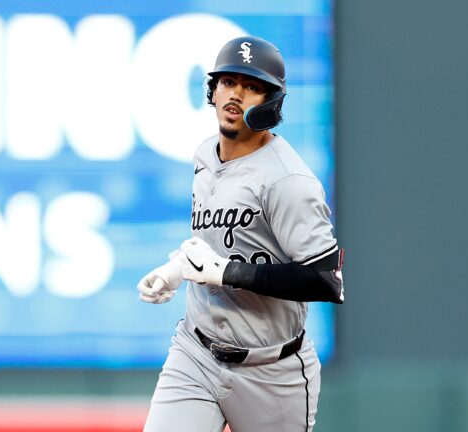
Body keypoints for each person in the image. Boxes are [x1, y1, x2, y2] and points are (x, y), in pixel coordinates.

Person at [137, 36, 345, 432]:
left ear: (271, 103)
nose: (236, 94)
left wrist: (228, 273)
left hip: (273, 370)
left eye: (252, 87)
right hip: (196, 351)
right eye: (229, 81)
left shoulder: (288, 179)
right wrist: (178, 268)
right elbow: (221, 242)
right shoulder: (204, 155)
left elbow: (326, 280)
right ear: (212, 90)